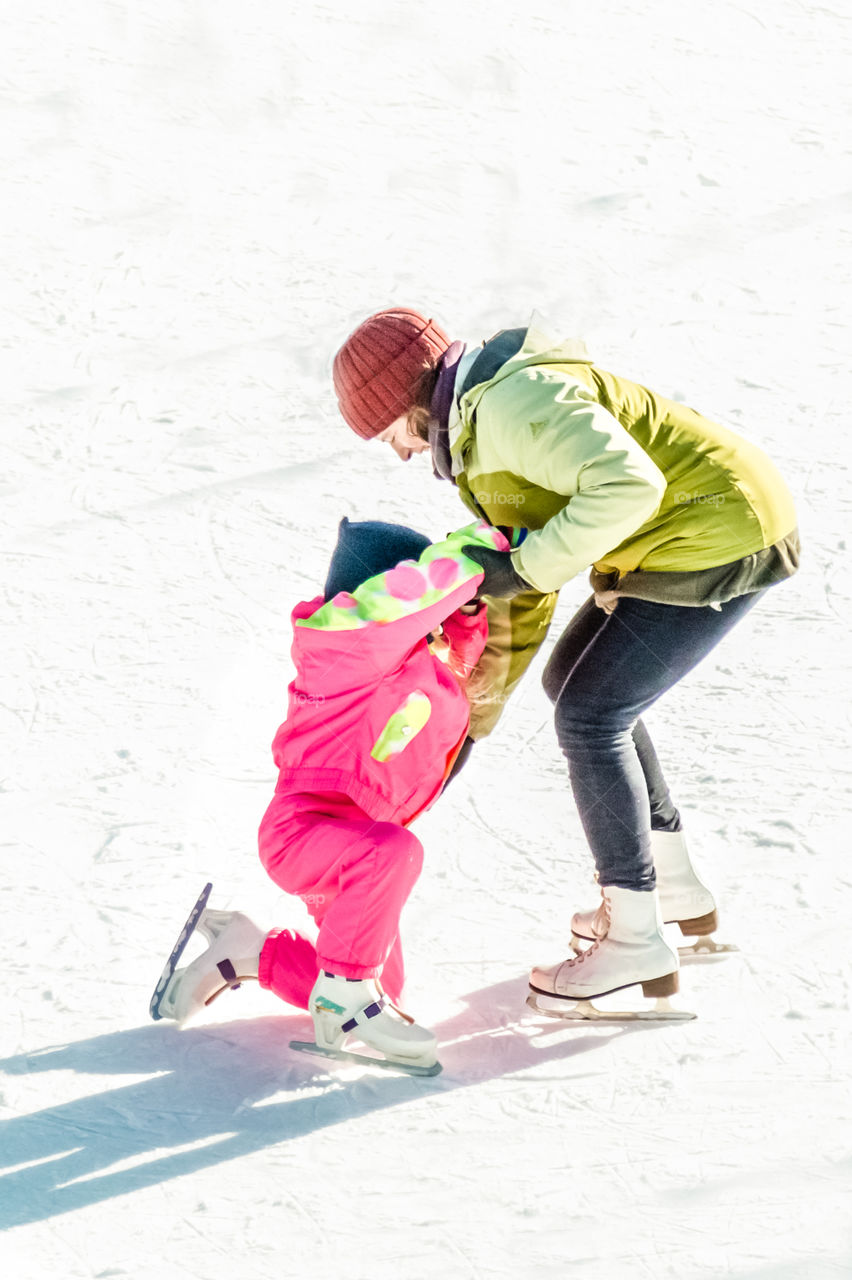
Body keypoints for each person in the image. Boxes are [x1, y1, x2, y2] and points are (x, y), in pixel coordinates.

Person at [331, 308, 799, 1012]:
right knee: (573, 685)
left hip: (718, 530)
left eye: (387, 432)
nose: (398, 452)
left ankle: (636, 935)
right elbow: (525, 584)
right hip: (694, 530)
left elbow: (627, 487)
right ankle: (669, 885)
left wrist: (525, 569)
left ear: (408, 400)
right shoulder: (485, 431)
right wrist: (469, 720)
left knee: (592, 716)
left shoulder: (512, 409)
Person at [153, 516, 507, 1070]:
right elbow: (406, 603)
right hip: (307, 833)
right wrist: (479, 556)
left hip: (352, 842)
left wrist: (463, 616)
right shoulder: (339, 648)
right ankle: (346, 993)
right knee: (391, 859)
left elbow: (445, 667)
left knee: (385, 991)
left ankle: (252, 953)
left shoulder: (400, 658)